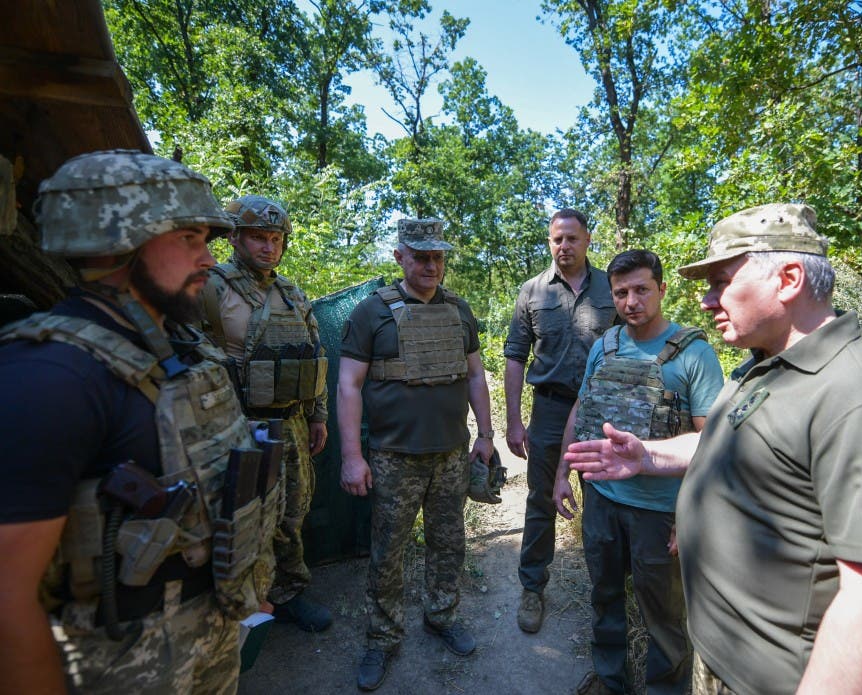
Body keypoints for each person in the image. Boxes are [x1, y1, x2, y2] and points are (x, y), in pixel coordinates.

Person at [565, 204, 862, 695]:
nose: (707, 301)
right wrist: (649, 457)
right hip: (721, 657)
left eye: (721, 282)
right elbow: (721, 443)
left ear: (788, 279)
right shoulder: (765, 369)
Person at [0, 149, 281, 693]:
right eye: (189, 238)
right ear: (118, 240)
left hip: (211, 633)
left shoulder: (182, 347)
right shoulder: (50, 374)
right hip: (121, 663)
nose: (208, 259)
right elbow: (8, 601)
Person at [553, 250, 723, 695]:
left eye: (642, 290)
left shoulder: (694, 354)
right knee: (604, 596)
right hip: (602, 501)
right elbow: (581, 408)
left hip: (660, 512)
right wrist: (561, 473)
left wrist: (690, 514)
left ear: (662, 290)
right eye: (621, 292)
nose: (631, 301)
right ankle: (610, 681)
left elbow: (713, 443)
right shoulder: (604, 346)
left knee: (663, 617)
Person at [337, 218, 495, 691]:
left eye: (437, 257)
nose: (430, 266)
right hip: (393, 457)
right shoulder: (371, 313)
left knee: (449, 543)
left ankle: (441, 615)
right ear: (399, 257)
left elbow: (474, 376)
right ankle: (382, 637)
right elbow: (348, 386)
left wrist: (485, 435)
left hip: (450, 453)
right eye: (420, 257)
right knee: (388, 551)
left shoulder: (459, 310)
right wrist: (351, 456)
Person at [200, 194, 332, 631]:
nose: (268, 247)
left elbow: (314, 355)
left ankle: (288, 592)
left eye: (276, 239)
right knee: (241, 515)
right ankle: (240, 601)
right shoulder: (210, 287)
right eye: (258, 237)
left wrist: (317, 415)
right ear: (234, 237)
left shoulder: (290, 293)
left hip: (290, 422)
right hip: (236, 424)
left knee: (292, 511)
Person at [504, 208, 617, 633]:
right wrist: (514, 422)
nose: (564, 246)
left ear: (587, 240)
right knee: (541, 499)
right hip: (550, 409)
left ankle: (608, 592)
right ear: (550, 243)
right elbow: (515, 356)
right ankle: (532, 586)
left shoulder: (612, 287)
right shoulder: (533, 291)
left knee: (604, 500)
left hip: (602, 410)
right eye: (557, 239)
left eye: (572, 238)